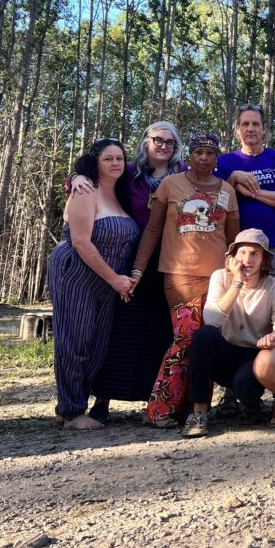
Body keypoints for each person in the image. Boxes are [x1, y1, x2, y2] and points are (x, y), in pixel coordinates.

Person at [71, 122, 187, 424]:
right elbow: (94, 173)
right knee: (120, 328)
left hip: (170, 260)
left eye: (170, 142)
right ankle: (103, 399)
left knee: (161, 331)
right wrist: (76, 175)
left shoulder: (184, 175)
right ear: (146, 142)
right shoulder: (128, 172)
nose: (163, 146)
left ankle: (161, 401)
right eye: (158, 140)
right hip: (129, 259)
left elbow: (213, 180)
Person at [132, 132, 239, 426]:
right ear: (189, 156)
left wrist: (236, 276)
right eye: (198, 152)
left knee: (204, 344)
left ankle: (193, 407)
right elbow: (152, 231)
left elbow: (232, 241)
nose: (203, 158)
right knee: (186, 338)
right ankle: (159, 410)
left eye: (209, 153)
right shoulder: (170, 185)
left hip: (217, 279)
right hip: (179, 276)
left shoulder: (227, 191)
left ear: (217, 158)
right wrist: (138, 269)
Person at [48, 138, 139, 430]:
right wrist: (115, 279)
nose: (115, 163)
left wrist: (120, 280)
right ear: (95, 163)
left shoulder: (119, 194)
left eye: (120, 159)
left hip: (108, 280)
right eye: (108, 159)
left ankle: (74, 404)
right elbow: (79, 241)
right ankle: (71, 412)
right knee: (74, 340)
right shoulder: (86, 189)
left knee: (97, 343)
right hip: (76, 271)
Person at [181, 229, 275, 438]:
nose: (247, 260)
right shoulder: (221, 278)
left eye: (254, 254)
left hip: (253, 357)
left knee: (244, 387)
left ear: (264, 260)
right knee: (204, 335)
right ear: (233, 257)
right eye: (242, 253)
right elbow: (211, 319)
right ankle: (198, 413)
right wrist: (236, 283)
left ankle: (252, 404)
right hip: (225, 352)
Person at [216, 104, 275, 273]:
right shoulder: (225, 162)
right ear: (237, 130)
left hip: (274, 246)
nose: (251, 129)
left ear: (264, 129)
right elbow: (217, 203)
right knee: (240, 296)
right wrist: (233, 179)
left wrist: (253, 193)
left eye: (256, 124)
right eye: (245, 124)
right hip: (238, 248)